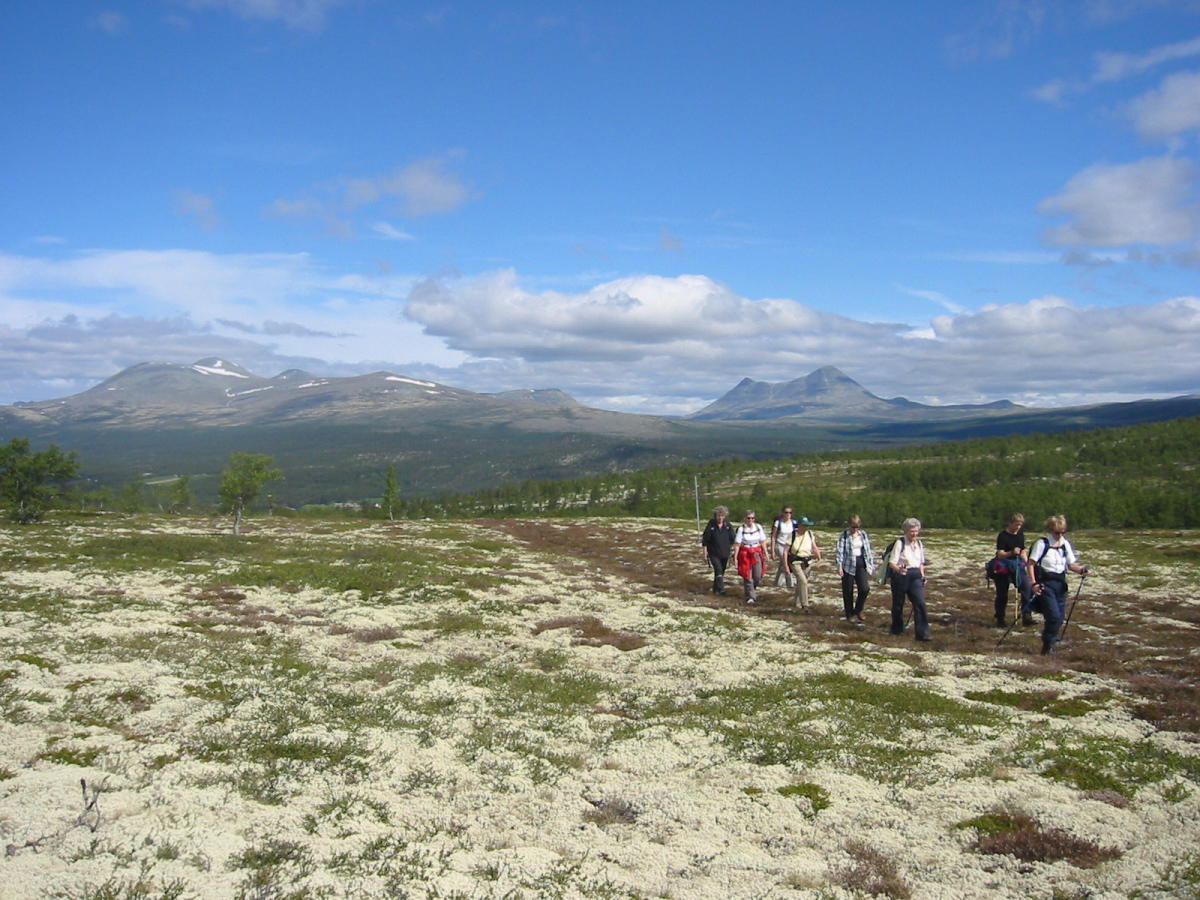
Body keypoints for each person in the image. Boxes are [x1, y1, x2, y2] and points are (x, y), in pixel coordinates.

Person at [1026, 515, 1089, 655]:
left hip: (1060, 584)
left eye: (1062, 532)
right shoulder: (1041, 544)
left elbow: (1071, 564)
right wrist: (1033, 583)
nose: (1059, 535)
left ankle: (1050, 643)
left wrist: (1081, 570)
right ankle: (1047, 646)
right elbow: (1031, 564)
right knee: (1053, 616)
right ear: (1050, 530)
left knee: (1060, 617)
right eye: (1057, 532)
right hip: (1045, 584)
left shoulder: (1065, 544)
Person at [888, 517, 931, 641]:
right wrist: (899, 570)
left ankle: (922, 634)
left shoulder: (919, 544)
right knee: (898, 604)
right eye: (912, 531)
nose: (914, 534)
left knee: (920, 603)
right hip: (901, 576)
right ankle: (897, 629)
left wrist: (923, 576)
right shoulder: (899, 543)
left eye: (916, 531)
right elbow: (892, 562)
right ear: (905, 531)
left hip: (916, 575)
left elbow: (921, 563)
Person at [991, 512, 1033, 628]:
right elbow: (1000, 554)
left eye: (1020, 525)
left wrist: (1027, 562)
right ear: (1010, 523)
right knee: (1002, 594)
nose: (1018, 527)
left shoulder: (1020, 535)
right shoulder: (1003, 535)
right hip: (1003, 566)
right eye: (1016, 524)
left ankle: (1026, 615)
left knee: (1026, 587)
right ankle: (1000, 618)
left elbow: (1023, 550)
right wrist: (1011, 552)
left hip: (1017, 565)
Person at [835, 514, 875, 624]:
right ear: (849, 525)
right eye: (853, 527)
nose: (855, 529)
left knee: (864, 588)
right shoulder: (844, 535)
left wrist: (871, 567)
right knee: (848, 591)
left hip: (861, 563)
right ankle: (849, 614)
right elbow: (840, 552)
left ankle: (858, 609)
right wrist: (839, 566)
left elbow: (868, 551)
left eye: (857, 526)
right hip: (847, 565)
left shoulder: (863, 535)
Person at [731, 509, 769, 605]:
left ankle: (750, 590)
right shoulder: (741, 529)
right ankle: (751, 596)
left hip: (756, 552)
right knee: (747, 575)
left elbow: (763, 541)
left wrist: (766, 553)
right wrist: (735, 558)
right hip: (745, 553)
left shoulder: (758, 527)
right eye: (748, 518)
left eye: (752, 518)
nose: (750, 520)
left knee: (757, 575)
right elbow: (737, 544)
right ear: (745, 519)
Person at [787, 516, 822, 610]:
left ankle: (797, 603)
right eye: (804, 525)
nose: (806, 527)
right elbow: (785, 551)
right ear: (799, 525)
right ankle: (805, 604)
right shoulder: (793, 535)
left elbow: (814, 547)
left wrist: (819, 558)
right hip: (795, 561)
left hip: (807, 561)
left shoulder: (810, 534)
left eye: (807, 525)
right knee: (803, 581)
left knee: (800, 583)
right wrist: (786, 565)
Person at [700, 505, 734, 595]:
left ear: (725, 516)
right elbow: (705, 540)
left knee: (720, 572)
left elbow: (733, 539)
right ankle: (721, 589)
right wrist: (704, 553)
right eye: (718, 515)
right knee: (718, 570)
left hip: (725, 553)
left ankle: (716, 590)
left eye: (722, 515)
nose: (720, 517)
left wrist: (734, 551)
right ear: (715, 516)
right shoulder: (711, 525)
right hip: (713, 553)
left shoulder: (728, 526)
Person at [770, 505, 797, 588]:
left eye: (790, 512)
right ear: (783, 513)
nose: (788, 514)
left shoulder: (794, 523)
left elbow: (796, 535)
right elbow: (773, 536)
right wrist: (772, 551)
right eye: (786, 512)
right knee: (787, 562)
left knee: (782, 564)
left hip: (789, 546)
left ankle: (777, 582)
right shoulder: (778, 523)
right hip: (780, 545)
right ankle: (790, 583)